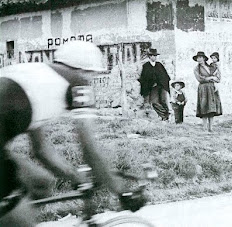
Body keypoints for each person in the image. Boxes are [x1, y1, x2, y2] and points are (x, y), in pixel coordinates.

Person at [0, 41, 146, 227]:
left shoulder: (38, 78)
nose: (91, 81)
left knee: (41, 182)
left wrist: (75, 176)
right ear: (86, 71)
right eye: (92, 76)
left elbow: (42, 151)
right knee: (20, 219)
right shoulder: (78, 81)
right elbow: (89, 148)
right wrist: (121, 191)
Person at [138, 48, 172, 121]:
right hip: (153, 87)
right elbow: (144, 78)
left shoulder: (159, 65)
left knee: (163, 101)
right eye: (153, 56)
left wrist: (162, 83)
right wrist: (149, 84)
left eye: (155, 56)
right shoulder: (146, 66)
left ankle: (165, 118)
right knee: (154, 102)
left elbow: (165, 76)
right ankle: (165, 114)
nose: (155, 57)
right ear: (149, 56)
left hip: (162, 86)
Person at [193, 51, 222, 132]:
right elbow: (200, 79)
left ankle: (211, 128)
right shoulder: (196, 69)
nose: (199, 59)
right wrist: (210, 78)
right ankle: (205, 128)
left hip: (212, 88)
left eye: (201, 58)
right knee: (204, 107)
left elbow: (217, 78)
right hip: (203, 88)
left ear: (204, 58)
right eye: (198, 58)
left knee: (211, 108)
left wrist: (215, 81)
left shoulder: (211, 67)